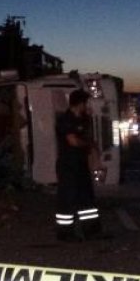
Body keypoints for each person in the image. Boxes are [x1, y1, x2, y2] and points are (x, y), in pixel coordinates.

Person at [54, 89, 101, 241]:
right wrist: (88, 144)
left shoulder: (82, 119)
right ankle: (65, 233)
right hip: (68, 165)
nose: (86, 106)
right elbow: (73, 141)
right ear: (79, 103)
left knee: (86, 197)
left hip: (80, 164)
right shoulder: (65, 120)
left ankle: (91, 229)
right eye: (85, 103)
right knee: (68, 199)